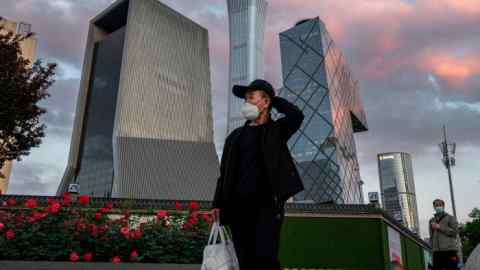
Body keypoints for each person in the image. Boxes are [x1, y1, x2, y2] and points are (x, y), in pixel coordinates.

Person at [210, 79, 304, 270]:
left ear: (266, 102)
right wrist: (217, 203)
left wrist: (274, 100)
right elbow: (224, 174)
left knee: (266, 259)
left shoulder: (277, 130)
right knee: (244, 261)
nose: (247, 103)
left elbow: (296, 115)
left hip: (267, 208)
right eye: (246, 99)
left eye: (252, 98)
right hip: (238, 208)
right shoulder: (234, 137)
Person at [429, 199, 459, 270]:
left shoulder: (450, 218)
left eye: (440, 205)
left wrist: (440, 227)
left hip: (449, 251)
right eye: (436, 205)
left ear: (443, 206)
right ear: (434, 207)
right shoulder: (431, 220)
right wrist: (432, 249)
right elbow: (431, 236)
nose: (438, 207)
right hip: (437, 252)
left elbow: (455, 232)